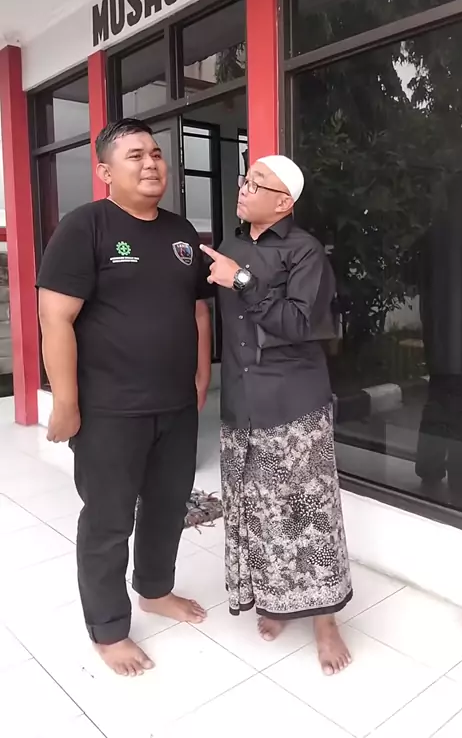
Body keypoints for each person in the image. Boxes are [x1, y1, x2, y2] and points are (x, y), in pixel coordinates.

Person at [37, 118, 212, 677]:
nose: (151, 163)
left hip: (175, 406)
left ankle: (155, 590)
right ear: (106, 171)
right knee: (109, 522)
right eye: (135, 155)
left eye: (156, 153)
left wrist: (201, 377)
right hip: (110, 410)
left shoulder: (181, 232)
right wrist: (66, 402)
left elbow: (198, 309)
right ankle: (109, 629)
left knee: (167, 506)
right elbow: (55, 317)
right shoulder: (85, 227)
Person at [201, 155, 353, 675]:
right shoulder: (233, 244)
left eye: (256, 183)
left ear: (284, 201)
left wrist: (242, 280)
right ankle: (276, 602)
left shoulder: (305, 251)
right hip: (242, 403)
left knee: (310, 515)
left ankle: (325, 620)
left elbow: (300, 322)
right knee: (259, 512)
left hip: (293, 404)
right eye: (245, 179)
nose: (243, 189)